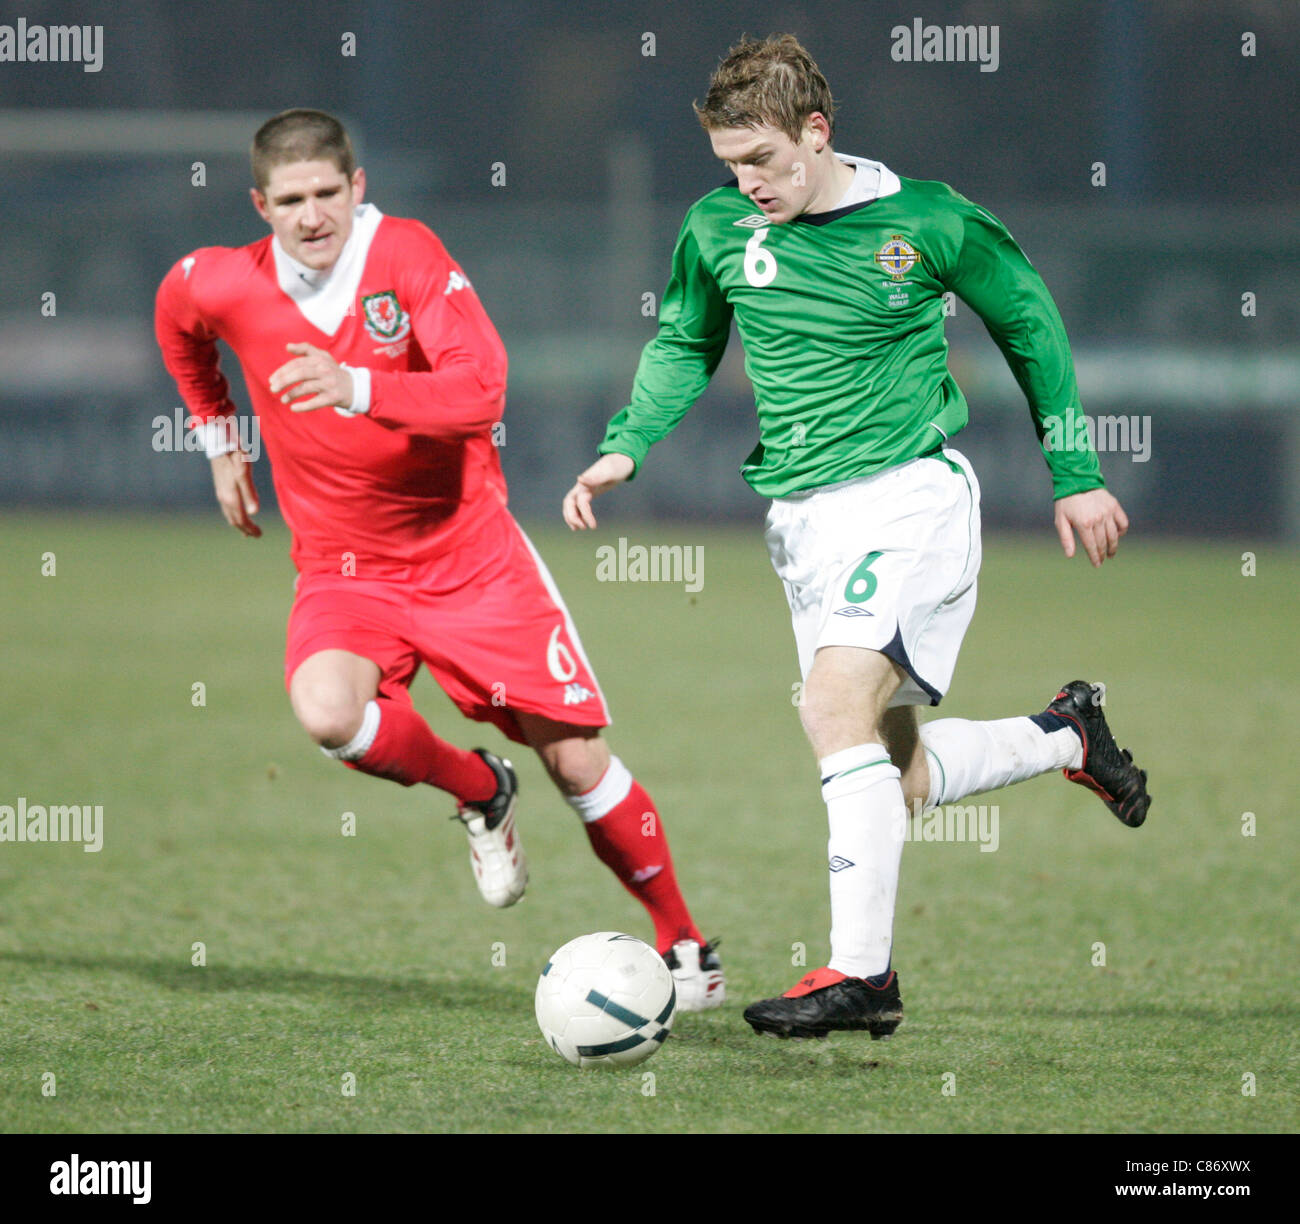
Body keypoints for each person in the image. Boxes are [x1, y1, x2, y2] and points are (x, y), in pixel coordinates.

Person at [563, 36, 1149, 1038]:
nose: (746, 184)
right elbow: (685, 342)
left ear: (817, 133)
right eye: (729, 165)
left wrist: (1077, 472)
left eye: (764, 161)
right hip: (800, 528)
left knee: (832, 707)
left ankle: (862, 979)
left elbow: (1030, 324)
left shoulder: (924, 218)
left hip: (909, 499)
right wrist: (627, 446)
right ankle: (1066, 734)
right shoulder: (716, 229)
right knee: (895, 774)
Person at [155, 108, 723, 1009]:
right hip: (346, 571)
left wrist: (359, 386)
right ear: (260, 204)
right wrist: (220, 436)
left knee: (576, 762)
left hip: (468, 559)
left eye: (328, 194)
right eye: (291, 200)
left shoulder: (407, 257)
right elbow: (178, 315)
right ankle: (478, 788)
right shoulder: (223, 280)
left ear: (358, 187)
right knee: (327, 713)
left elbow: (482, 386)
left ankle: (685, 943)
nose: (313, 217)